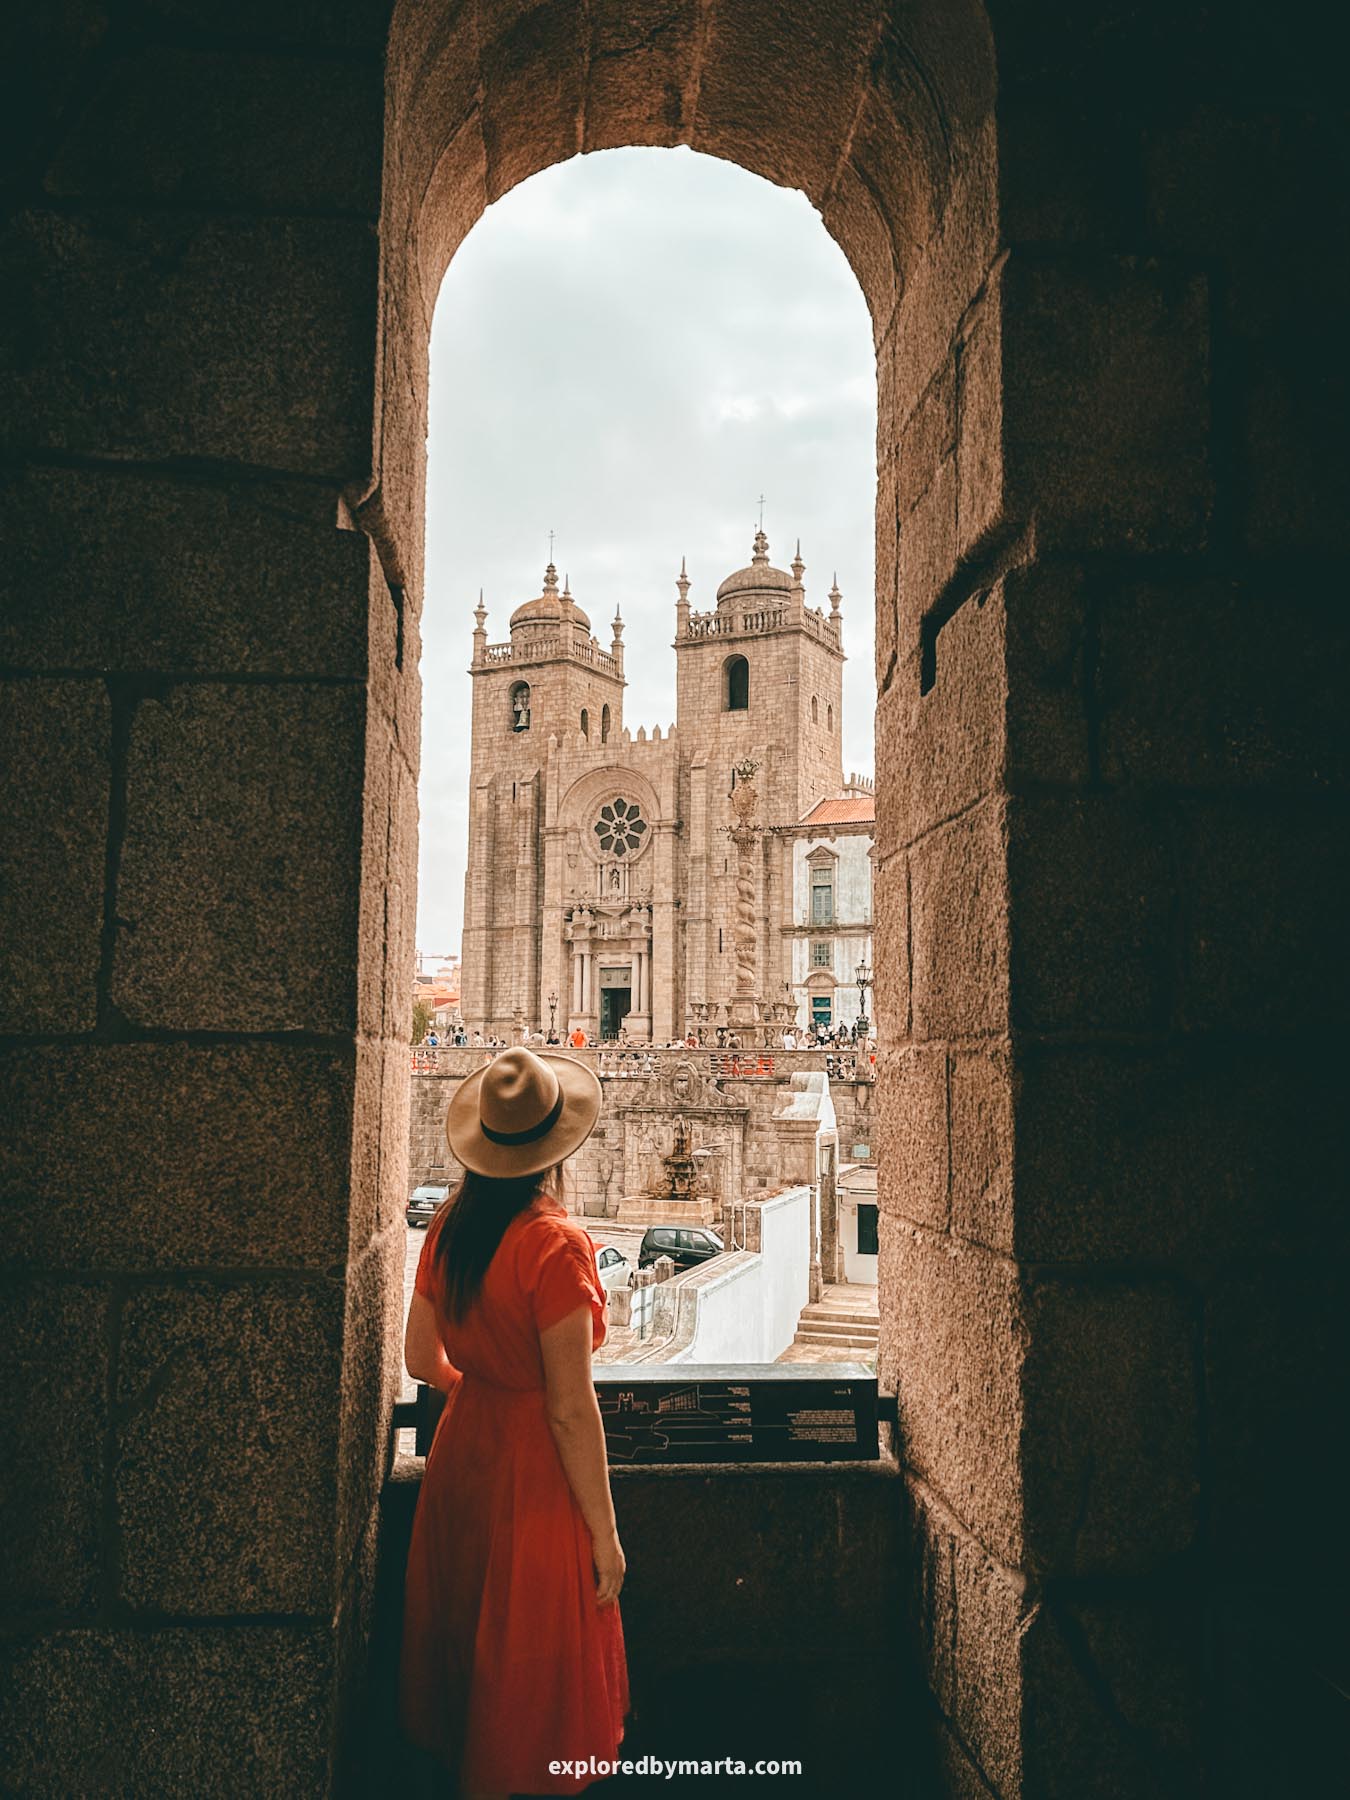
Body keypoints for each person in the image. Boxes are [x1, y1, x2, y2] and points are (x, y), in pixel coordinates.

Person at [399, 1047, 628, 1796]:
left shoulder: (447, 1228)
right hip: (532, 1469)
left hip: (464, 1453)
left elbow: (420, 1359)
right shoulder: (557, 1246)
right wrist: (605, 1533)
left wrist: (488, 1385)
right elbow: (569, 1409)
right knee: (529, 1659)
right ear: (553, 1150)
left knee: (470, 1631)